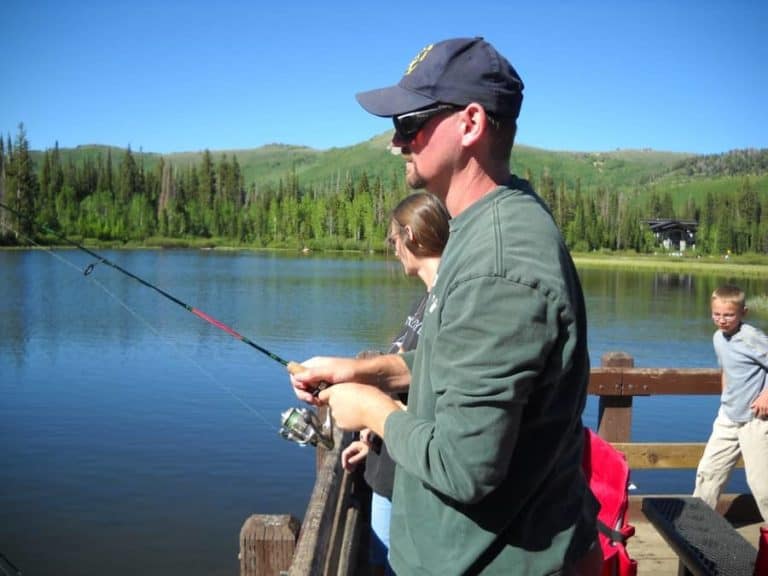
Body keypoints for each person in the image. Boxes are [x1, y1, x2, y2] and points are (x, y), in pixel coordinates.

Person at [292, 37, 600, 574]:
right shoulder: (478, 230)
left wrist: (372, 410)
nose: (397, 141)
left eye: (410, 124)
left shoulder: (497, 267)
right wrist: (364, 371)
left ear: (471, 123)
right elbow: (455, 364)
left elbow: (465, 467)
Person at [342, 192, 449, 576]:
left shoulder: (450, 305)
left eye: (393, 240)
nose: (393, 250)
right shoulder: (426, 301)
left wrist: (369, 409)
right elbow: (403, 387)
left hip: (407, 480)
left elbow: (435, 406)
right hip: (385, 466)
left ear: (412, 237)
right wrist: (368, 438)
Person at [693, 284, 768, 522]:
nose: (722, 320)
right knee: (709, 473)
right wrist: (725, 395)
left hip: (754, 419)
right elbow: (726, 368)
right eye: (716, 314)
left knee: (761, 484)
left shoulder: (752, 338)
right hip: (727, 417)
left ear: (743, 312)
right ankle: (695, 527)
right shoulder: (718, 338)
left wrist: (766, 396)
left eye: (728, 315)